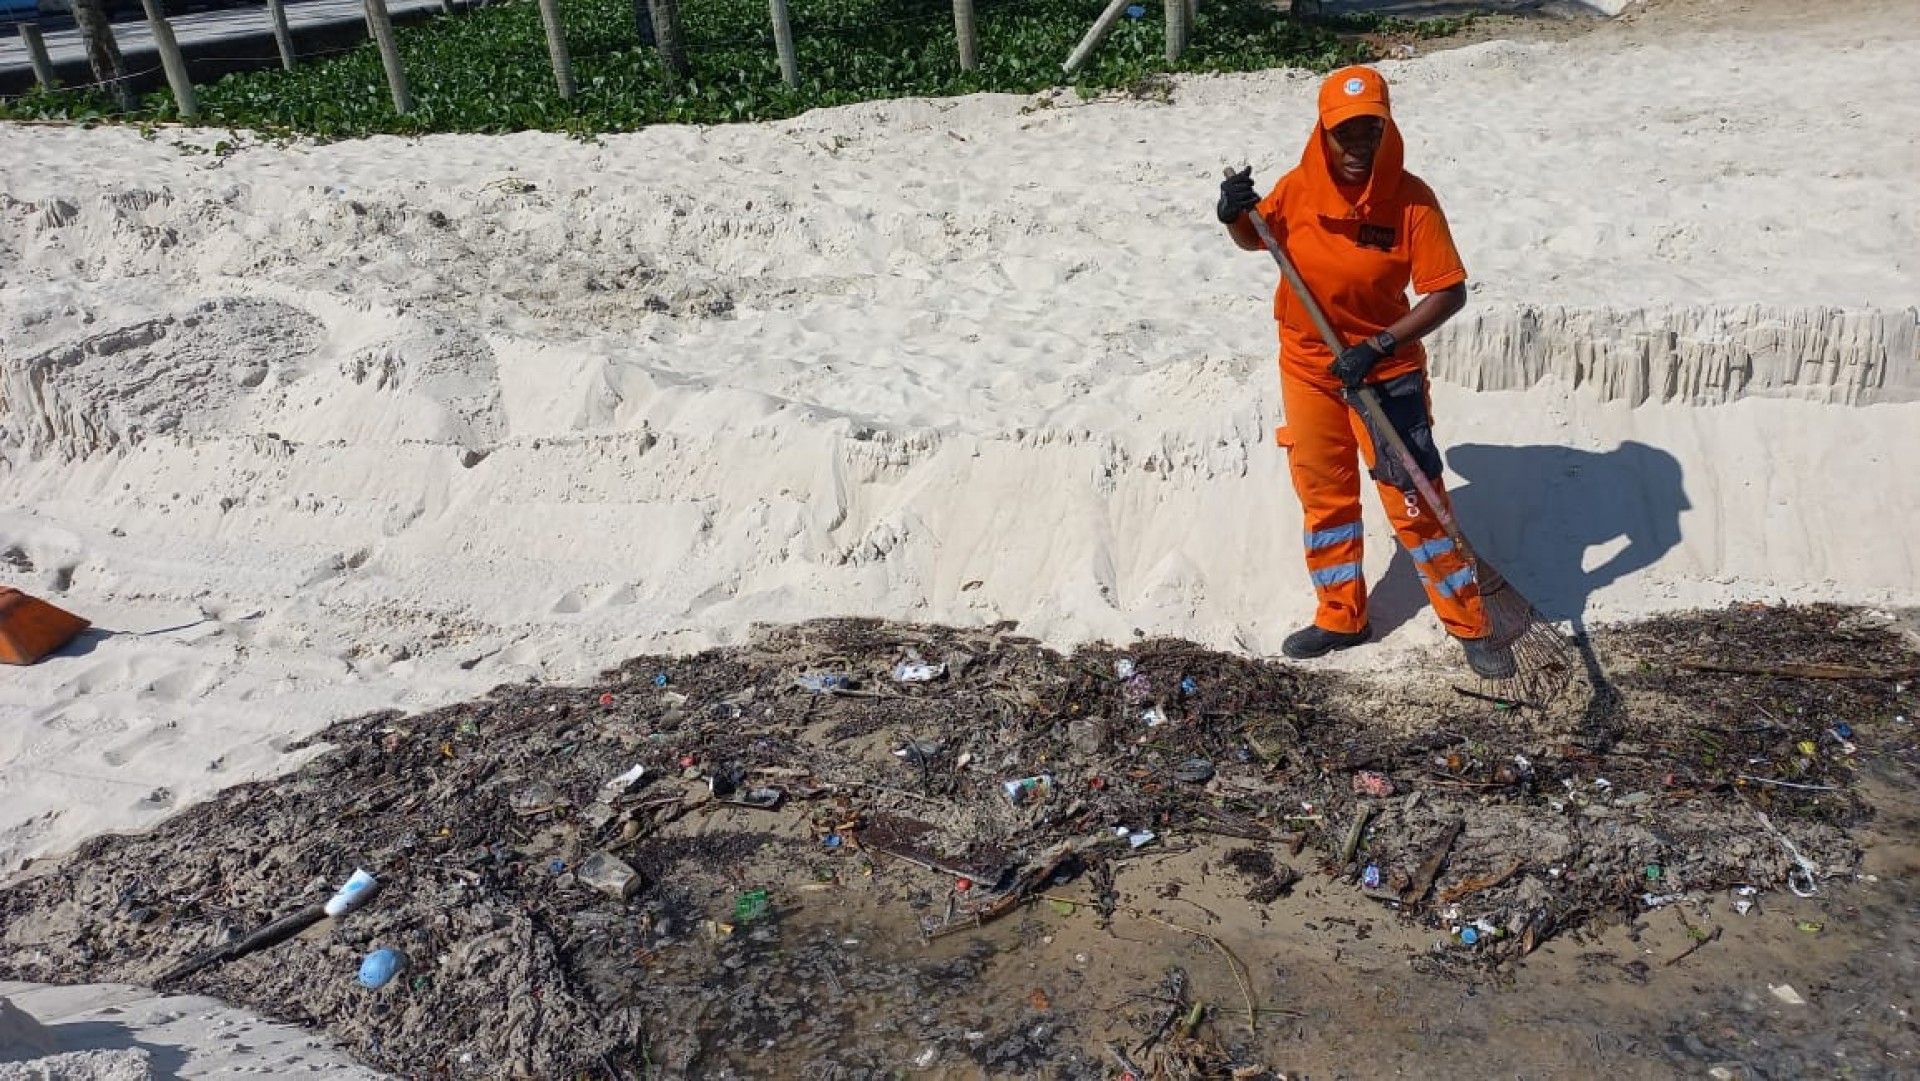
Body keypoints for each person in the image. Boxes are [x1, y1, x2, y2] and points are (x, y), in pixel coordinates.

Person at [1216, 64, 1515, 680]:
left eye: (1368, 132)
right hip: (1310, 367)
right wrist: (1233, 215)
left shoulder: (1411, 201)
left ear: (1386, 129)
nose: (1357, 147)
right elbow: (1258, 239)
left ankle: (1471, 623)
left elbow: (1449, 293)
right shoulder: (1297, 189)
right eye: (1344, 133)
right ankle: (1341, 615)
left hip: (1385, 372)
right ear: (1323, 133)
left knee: (1416, 500)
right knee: (1324, 495)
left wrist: (1377, 345)